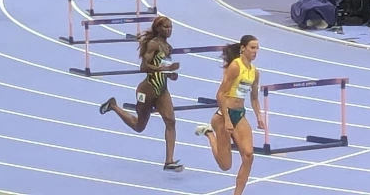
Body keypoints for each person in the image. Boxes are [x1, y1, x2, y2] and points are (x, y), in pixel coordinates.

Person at [98, 16, 184, 173]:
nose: (169, 30)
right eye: (166, 27)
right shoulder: (153, 44)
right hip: (147, 90)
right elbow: (144, 67)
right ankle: (114, 106)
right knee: (139, 126)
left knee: (171, 122)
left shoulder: (168, 47)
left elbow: (165, 67)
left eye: (171, 27)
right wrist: (163, 70)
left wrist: (171, 74)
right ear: (158, 28)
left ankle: (169, 161)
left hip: (162, 91)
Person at [195, 35, 265, 195]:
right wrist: (226, 119)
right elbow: (220, 94)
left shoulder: (255, 72)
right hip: (222, 116)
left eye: (257, 48)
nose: (256, 51)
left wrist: (259, 117)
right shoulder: (235, 66)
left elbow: (254, 97)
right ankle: (209, 133)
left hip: (239, 114)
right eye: (252, 48)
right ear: (243, 48)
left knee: (248, 155)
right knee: (225, 165)